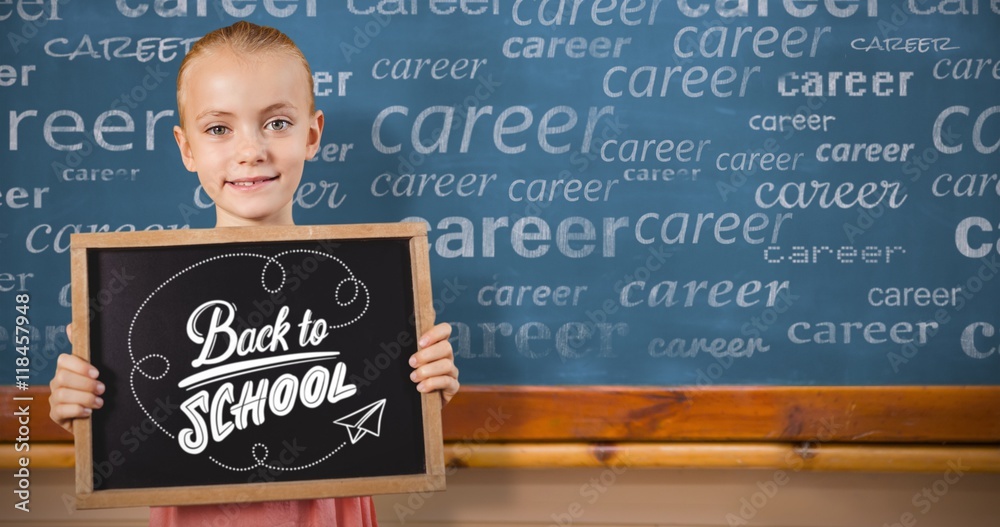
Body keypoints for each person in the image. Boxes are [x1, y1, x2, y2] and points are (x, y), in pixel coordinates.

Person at [48, 21, 459, 526]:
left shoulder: (373, 282)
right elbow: (142, 430)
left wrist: (421, 390)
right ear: (186, 148)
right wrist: (89, 409)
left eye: (277, 123)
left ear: (312, 134)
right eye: (219, 129)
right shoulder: (136, 298)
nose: (252, 150)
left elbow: (383, 422)